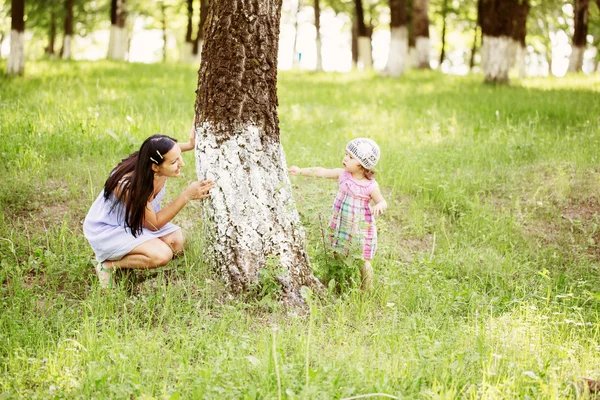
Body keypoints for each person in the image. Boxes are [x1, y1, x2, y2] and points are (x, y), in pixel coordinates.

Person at [84, 130, 214, 288]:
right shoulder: (130, 186)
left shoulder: (153, 159)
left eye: (179, 157)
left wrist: (189, 145)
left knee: (177, 243)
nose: (181, 164)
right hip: (110, 229)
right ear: (155, 167)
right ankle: (109, 265)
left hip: (136, 220)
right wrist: (186, 195)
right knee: (162, 255)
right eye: (174, 162)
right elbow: (153, 224)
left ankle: (132, 258)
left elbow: (168, 151)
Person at [288, 138, 387, 290]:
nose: (345, 158)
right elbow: (322, 171)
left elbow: (382, 201)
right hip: (341, 224)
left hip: (359, 228)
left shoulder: (370, 186)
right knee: (337, 251)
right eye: (346, 154)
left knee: (362, 259)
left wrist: (379, 206)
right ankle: (339, 278)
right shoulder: (343, 174)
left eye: (351, 157)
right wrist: (300, 171)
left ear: (361, 164)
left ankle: (367, 288)